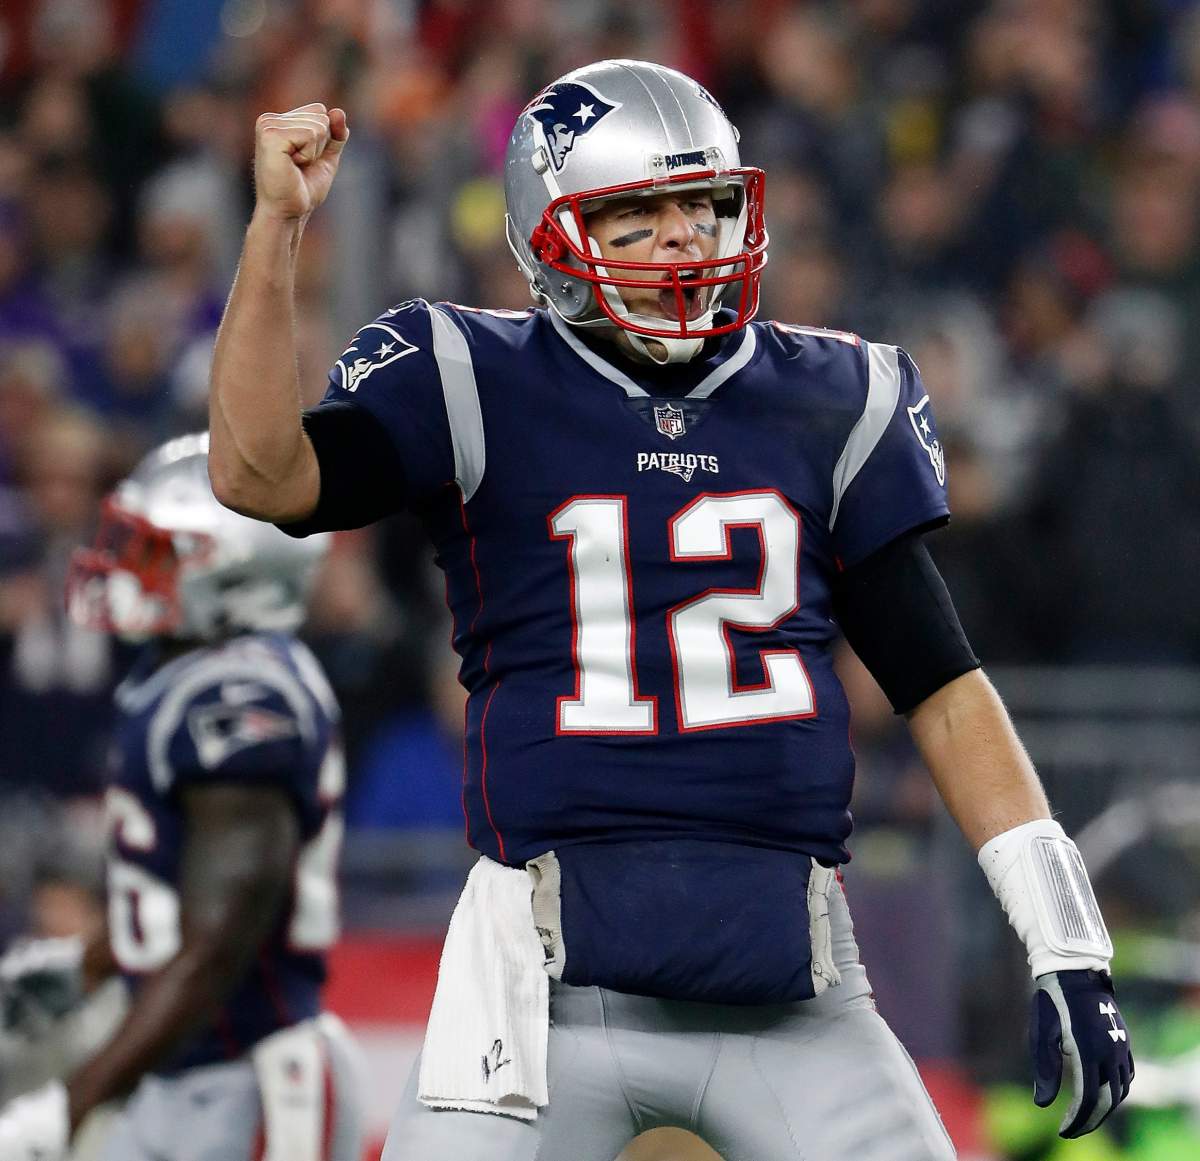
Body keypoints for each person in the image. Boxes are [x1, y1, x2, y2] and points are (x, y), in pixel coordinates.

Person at [207, 60, 1133, 1160]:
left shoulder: (828, 397)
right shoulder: (471, 373)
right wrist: (274, 231)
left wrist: (1064, 937)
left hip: (791, 983)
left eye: (705, 203)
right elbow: (261, 474)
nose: (689, 237)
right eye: (639, 215)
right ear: (547, 237)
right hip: (533, 990)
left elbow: (943, 690)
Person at [0, 433, 365, 1161]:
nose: (126, 566)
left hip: (254, 1077)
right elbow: (183, 899)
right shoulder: (186, 673)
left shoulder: (238, 697)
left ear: (229, 573)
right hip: (182, 1074)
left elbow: (218, 941)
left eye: (156, 550)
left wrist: (69, 1103)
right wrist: (89, 968)